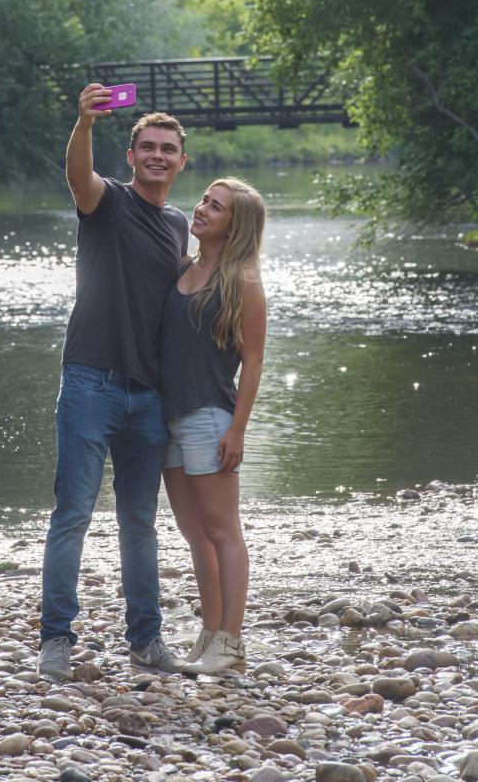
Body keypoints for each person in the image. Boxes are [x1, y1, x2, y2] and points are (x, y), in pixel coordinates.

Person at [37, 83, 190, 682]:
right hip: (89, 383)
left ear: (182, 161)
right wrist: (84, 123)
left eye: (167, 149)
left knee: (140, 523)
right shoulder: (109, 202)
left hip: (149, 396)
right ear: (132, 158)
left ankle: (146, 642)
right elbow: (79, 178)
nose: (157, 155)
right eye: (147, 147)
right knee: (72, 511)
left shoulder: (179, 224)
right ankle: (56, 640)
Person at [160, 177, 267, 675]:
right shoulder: (185, 265)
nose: (201, 209)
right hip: (170, 417)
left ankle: (233, 641)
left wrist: (238, 430)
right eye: (204, 199)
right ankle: (210, 631)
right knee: (193, 533)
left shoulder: (242, 279)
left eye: (215, 206)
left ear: (235, 224)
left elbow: (254, 360)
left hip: (209, 416)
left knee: (223, 530)